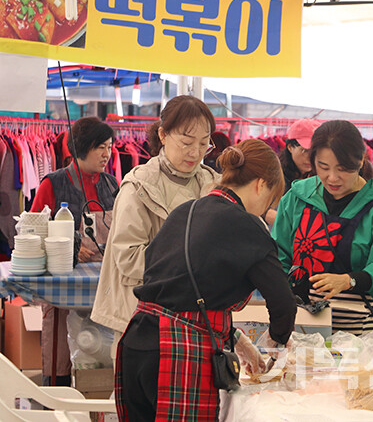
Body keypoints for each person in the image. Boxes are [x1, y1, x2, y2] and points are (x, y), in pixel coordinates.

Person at [116, 139, 297, 420]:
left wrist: (239, 341)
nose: (264, 209)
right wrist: (277, 341)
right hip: (175, 352)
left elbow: (180, 289)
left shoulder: (185, 211)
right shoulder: (248, 226)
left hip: (136, 342)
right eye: (270, 200)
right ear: (261, 184)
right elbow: (284, 303)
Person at [91, 95, 219, 357]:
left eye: (204, 144)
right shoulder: (139, 187)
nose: (195, 152)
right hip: (142, 320)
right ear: (163, 134)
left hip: (197, 319)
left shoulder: (213, 184)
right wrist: (188, 265)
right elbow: (127, 257)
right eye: (186, 142)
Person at [271, 120, 373, 335]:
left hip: (357, 334)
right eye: (323, 167)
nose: (332, 178)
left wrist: (348, 280)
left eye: (343, 169)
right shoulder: (296, 198)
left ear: (361, 161)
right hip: (299, 326)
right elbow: (278, 257)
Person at [31, 116, 117, 386]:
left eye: (109, 146)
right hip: (63, 285)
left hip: (104, 285)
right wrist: (68, 247)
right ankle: (56, 399)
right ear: (81, 148)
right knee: (59, 349)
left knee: (102, 352)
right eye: (100, 147)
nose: (107, 154)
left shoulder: (113, 184)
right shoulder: (53, 184)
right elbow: (32, 231)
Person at [280, 118, 321, 193]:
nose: (310, 157)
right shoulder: (277, 177)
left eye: (315, 151)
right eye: (305, 150)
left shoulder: (321, 177)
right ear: (290, 147)